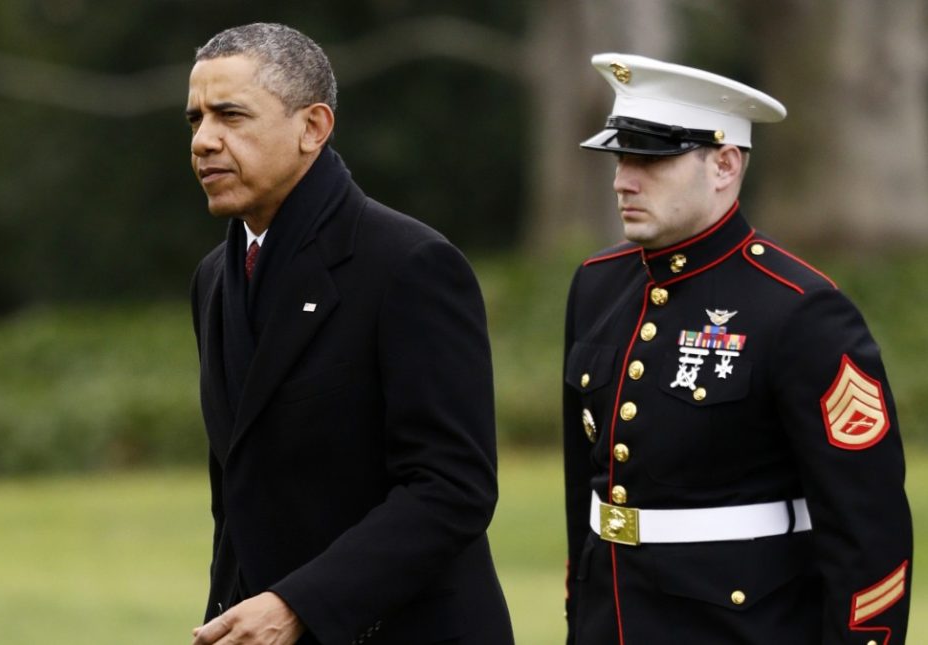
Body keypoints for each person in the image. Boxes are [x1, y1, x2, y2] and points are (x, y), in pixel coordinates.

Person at [563, 53, 913, 644]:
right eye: (621, 156)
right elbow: (586, 486)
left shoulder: (800, 309)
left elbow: (867, 532)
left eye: (650, 158)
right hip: (611, 621)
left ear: (725, 164)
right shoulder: (598, 284)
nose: (623, 179)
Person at [185, 23, 514, 645]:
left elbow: (453, 489)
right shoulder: (214, 280)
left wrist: (297, 604)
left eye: (230, 115)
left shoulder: (410, 264)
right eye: (196, 119)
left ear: (313, 128)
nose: (204, 141)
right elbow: (238, 497)